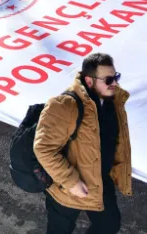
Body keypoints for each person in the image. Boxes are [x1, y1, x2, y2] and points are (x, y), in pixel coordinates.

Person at [34, 53, 132, 234]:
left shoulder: (113, 101)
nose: (115, 83)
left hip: (100, 182)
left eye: (116, 77)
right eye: (109, 79)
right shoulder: (64, 105)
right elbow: (43, 148)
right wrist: (72, 182)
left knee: (109, 225)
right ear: (89, 81)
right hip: (67, 188)